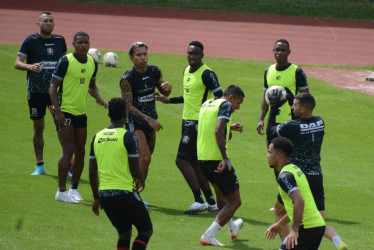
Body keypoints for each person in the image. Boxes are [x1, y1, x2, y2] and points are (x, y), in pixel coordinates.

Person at [268, 93, 348, 249]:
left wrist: (274, 107)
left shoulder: (291, 126)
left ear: (303, 109)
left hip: (298, 177)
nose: (292, 107)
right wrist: (292, 98)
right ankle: (339, 242)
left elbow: (271, 131)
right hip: (317, 176)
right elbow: (303, 116)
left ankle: (288, 242)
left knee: (278, 211)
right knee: (318, 221)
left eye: (294, 105)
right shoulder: (320, 122)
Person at [156, 41, 222, 214]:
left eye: (196, 54)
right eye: (190, 53)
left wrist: (216, 121)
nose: (192, 56)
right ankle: (211, 202)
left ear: (202, 55)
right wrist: (169, 100)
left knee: (181, 160)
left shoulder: (207, 73)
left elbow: (221, 99)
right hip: (187, 122)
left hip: (198, 124)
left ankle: (198, 200)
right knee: (194, 163)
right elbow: (189, 98)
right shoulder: (186, 70)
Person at [49, 31, 107, 203]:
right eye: (80, 42)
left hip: (81, 113)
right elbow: (52, 87)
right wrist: (57, 111)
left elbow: (92, 85)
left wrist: (98, 97)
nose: (83, 45)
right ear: (73, 44)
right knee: (68, 149)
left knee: (81, 151)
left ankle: (73, 188)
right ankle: (61, 191)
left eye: (86, 42)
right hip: (64, 111)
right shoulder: (66, 61)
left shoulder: (92, 63)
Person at [89, 98, 153, 250]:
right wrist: (141, 179)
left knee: (124, 233)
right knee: (146, 229)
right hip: (124, 193)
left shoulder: (97, 137)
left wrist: (96, 197)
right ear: (125, 115)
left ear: (109, 115)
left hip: (105, 196)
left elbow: (92, 171)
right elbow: (136, 167)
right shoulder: (128, 137)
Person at [14, 11, 67, 175]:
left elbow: (66, 63)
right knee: (38, 128)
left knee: (62, 127)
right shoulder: (30, 41)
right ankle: (40, 166)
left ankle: (69, 165)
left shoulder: (60, 41)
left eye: (51, 21)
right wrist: (30, 67)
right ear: (39, 23)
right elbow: (17, 63)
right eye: (45, 21)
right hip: (36, 92)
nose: (49, 23)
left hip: (55, 93)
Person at [120, 41, 172, 206]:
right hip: (135, 122)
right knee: (145, 157)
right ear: (131, 58)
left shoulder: (154, 71)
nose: (143, 58)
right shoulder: (127, 79)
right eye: (138, 55)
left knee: (145, 160)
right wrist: (149, 119)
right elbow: (128, 106)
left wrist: (167, 88)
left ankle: (134, 193)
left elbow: (164, 91)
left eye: (144, 54)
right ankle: (133, 195)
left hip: (151, 120)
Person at [198, 85, 245, 247]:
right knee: (235, 201)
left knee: (221, 196)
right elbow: (218, 131)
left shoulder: (208, 104)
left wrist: (229, 127)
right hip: (216, 158)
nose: (238, 107)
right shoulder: (225, 105)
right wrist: (224, 158)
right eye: (238, 102)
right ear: (231, 97)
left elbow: (210, 127)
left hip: (202, 158)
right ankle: (209, 235)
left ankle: (232, 226)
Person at [265, 137, 325, 250]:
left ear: (279, 156)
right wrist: (280, 224)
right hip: (316, 226)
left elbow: (299, 201)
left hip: (306, 228)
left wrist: (294, 230)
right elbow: (296, 208)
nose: (267, 155)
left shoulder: (284, 176)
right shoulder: (295, 169)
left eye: (269, 152)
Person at [256, 39, 309, 145]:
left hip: (292, 122)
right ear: (273, 51)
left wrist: (303, 122)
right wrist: (261, 119)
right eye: (277, 50)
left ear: (289, 52)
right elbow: (265, 97)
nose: (279, 52)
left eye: (283, 50)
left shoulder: (296, 71)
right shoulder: (268, 71)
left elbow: (306, 98)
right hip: (273, 123)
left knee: (291, 157)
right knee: (272, 156)